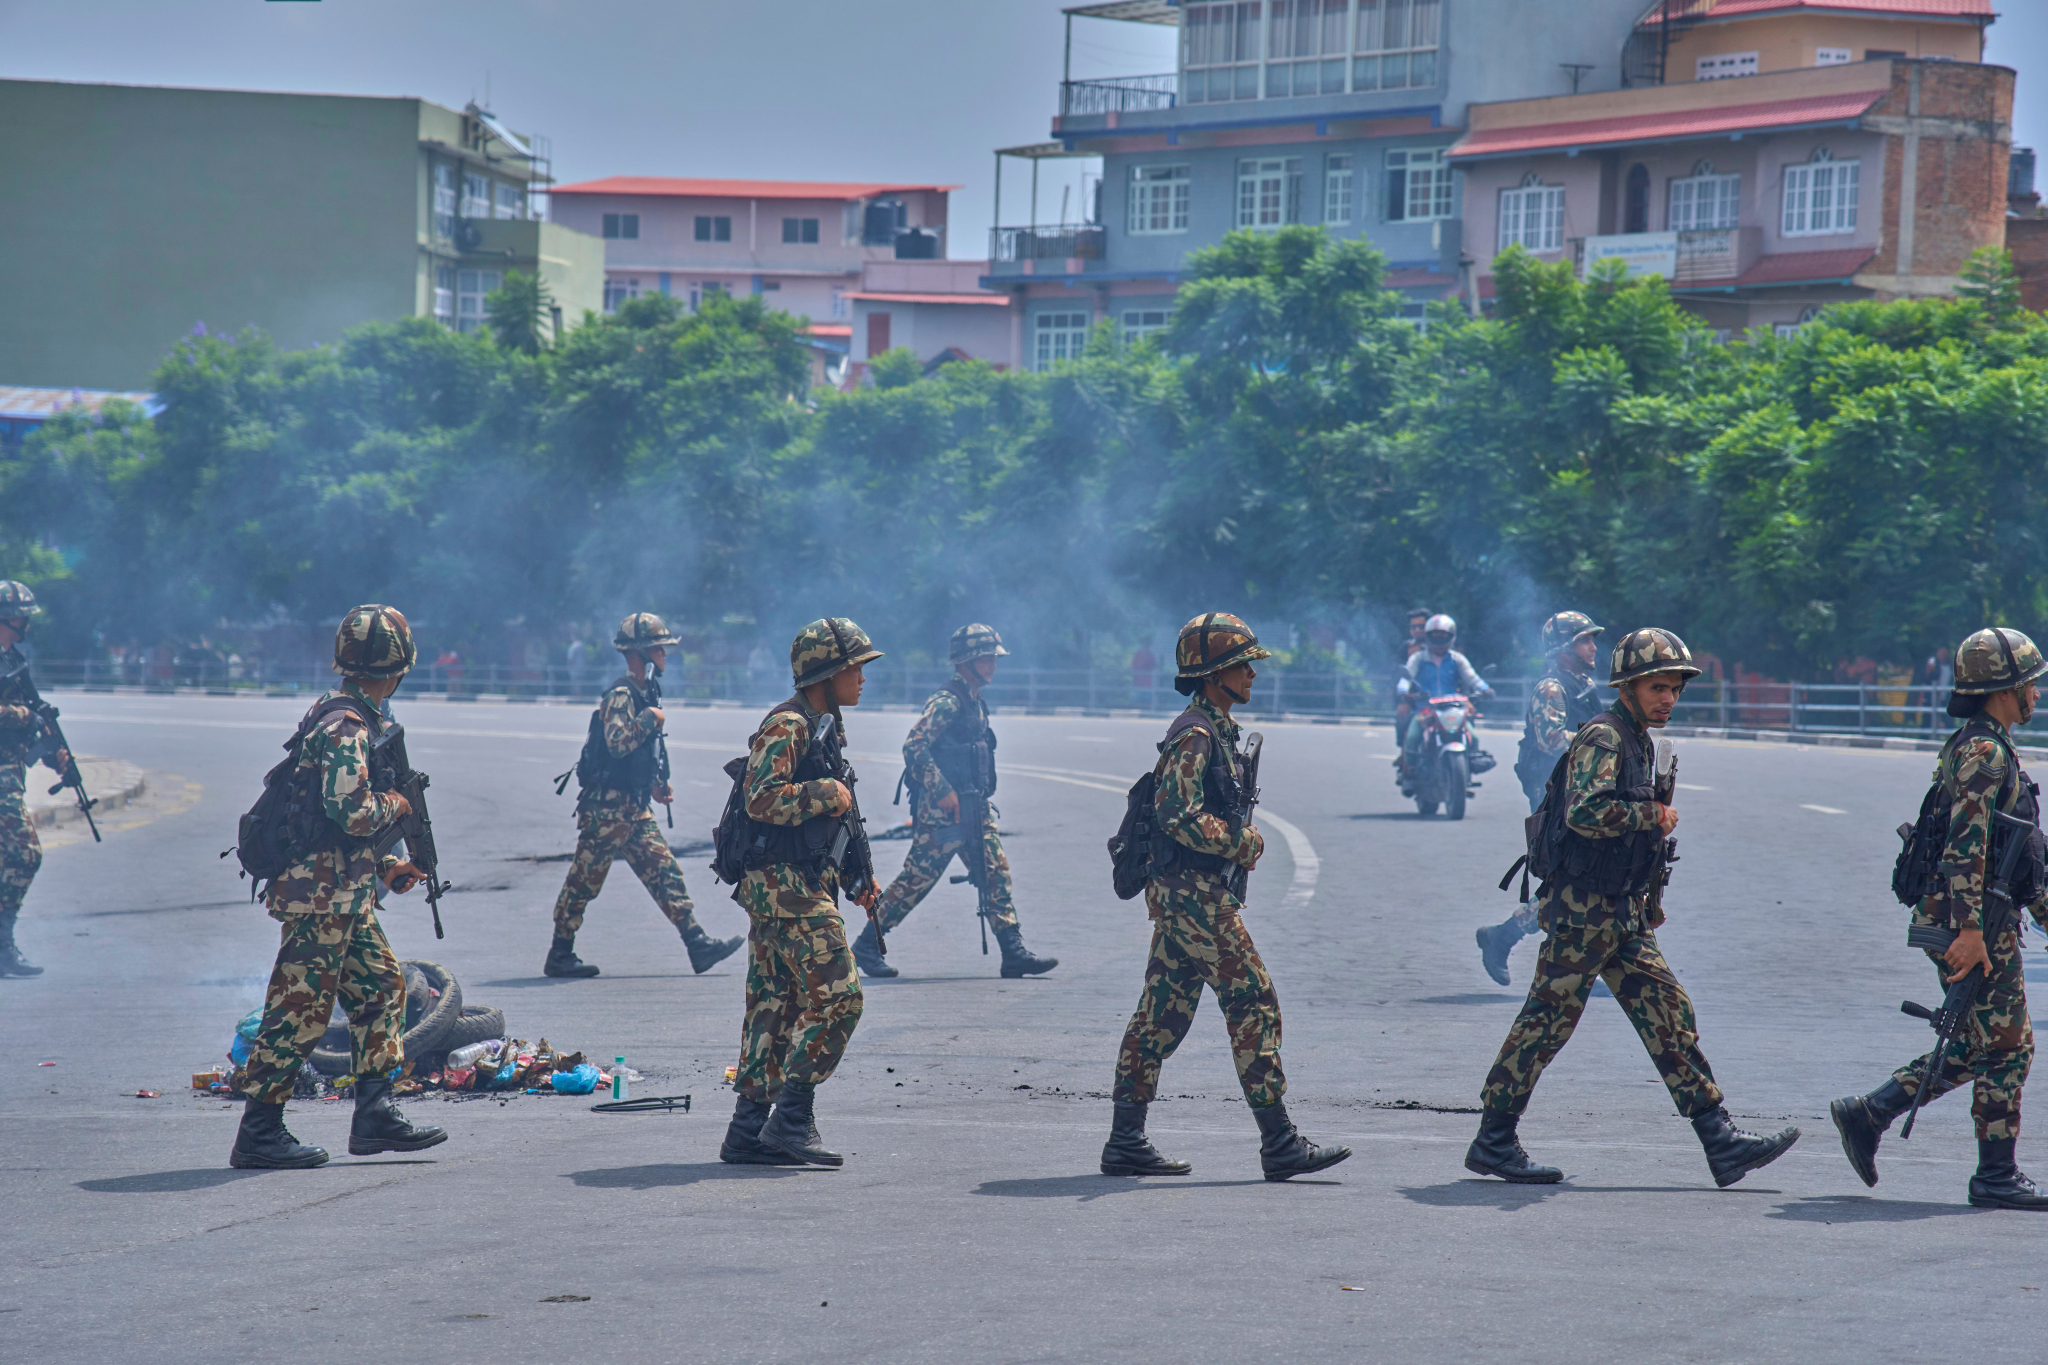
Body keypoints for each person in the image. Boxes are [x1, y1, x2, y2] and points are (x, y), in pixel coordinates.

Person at [1464, 627, 1800, 1187]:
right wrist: (1653, 817)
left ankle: (1721, 1143)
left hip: (1619, 911)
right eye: (1657, 687)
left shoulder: (1638, 738)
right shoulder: (1606, 736)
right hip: (1583, 910)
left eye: (1674, 688)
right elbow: (1585, 813)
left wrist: (1647, 898)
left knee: (1669, 1013)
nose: (1668, 698)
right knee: (1546, 1021)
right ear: (1629, 687)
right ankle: (1493, 1139)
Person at [1100, 612, 1351, 1182]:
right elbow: (1176, 815)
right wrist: (1242, 841)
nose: (1252, 675)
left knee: (1161, 1014)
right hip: (1193, 896)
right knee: (1253, 999)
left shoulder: (1213, 728)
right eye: (1243, 666)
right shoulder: (1196, 734)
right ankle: (1280, 1142)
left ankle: (1125, 1141)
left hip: (1185, 895)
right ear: (1214, 675)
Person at [1829, 627, 2048, 1210]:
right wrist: (1972, 932)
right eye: (2030, 683)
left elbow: (2017, 852)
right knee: (2005, 1048)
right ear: (2004, 688)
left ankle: (1869, 1113)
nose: (2036, 693)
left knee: (1988, 1044)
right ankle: (1995, 1177)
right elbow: (1967, 846)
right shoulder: (1984, 752)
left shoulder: (1988, 744)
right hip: (1969, 923)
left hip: (1978, 916)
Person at [230, 604, 447, 1169]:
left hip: (343, 891)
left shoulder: (343, 713)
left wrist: (390, 864)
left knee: (381, 988)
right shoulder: (347, 726)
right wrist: (398, 804)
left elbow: (332, 824)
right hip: (320, 896)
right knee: (298, 1009)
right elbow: (351, 813)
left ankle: (374, 1113)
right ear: (397, 666)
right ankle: (259, 1133)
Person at [717, 617, 881, 1168]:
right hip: (785, 889)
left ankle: (746, 1131)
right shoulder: (788, 725)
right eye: (854, 667)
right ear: (826, 673)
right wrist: (824, 791)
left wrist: (858, 876)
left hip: (790, 886)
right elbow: (760, 798)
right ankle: (791, 1118)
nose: (862, 677)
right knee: (841, 998)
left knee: (775, 1007)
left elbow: (838, 820)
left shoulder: (822, 724)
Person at [543, 614, 743, 979]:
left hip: (632, 807)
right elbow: (617, 744)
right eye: (658, 648)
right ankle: (560, 952)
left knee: (665, 872)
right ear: (639, 653)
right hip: (606, 809)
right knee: (584, 881)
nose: (665, 654)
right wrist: (651, 717)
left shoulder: (644, 691)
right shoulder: (622, 695)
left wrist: (652, 784)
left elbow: (634, 755)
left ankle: (696, 943)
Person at [856, 623, 1056, 980]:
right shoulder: (948, 701)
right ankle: (867, 946)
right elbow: (913, 747)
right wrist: (942, 791)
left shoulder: (974, 700)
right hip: (943, 812)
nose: (994, 664)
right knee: (916, 880)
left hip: (973, 805)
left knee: (995, 872)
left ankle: (1013, 952)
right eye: (988, 658)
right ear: (968, 661)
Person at [1476, 611, 1605, 985]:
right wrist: (1602, 739)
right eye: (1584, 640)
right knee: (1573, 878)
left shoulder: (1583, 684)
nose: (1592, 647)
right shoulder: (1552, 688)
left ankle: (1506, 938)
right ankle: (1560, 961)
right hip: (1556, 793)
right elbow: (1551, 739)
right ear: (1564, 648)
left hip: (1582, 789)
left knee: (1583, 876)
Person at [0, 581, 65, 977]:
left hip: (11, 772)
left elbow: (37, 715)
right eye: (21, 616)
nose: (25, 623)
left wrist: (57, 755)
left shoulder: (13, 660)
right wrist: (27, 717)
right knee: (25, 854)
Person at [1397, 613, 1494, 787]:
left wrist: (1485, 689)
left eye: (1443, 638)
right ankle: (1411, 773)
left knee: (1473, 737)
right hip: (1425, 709)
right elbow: (1406, 678)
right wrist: (1403, 691)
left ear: (1451, 638)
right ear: (1427, 638)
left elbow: (1472, 678)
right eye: (1435, 638)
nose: (1439, 642)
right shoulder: (1418, 658)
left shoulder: (1457, 659)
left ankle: (1468, 768)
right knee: (1412, 737)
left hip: (1453, 707)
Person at [1391, 607, 1431, 738]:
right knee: (1403, 718)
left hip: (1440, 696)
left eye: (1421, 626)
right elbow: (1399, 674)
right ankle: (1406, 752)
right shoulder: (1406, 648)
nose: (1417, 630)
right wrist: (1402, 699)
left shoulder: (1441, 647)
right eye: (1413, 627)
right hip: (1413, 696)